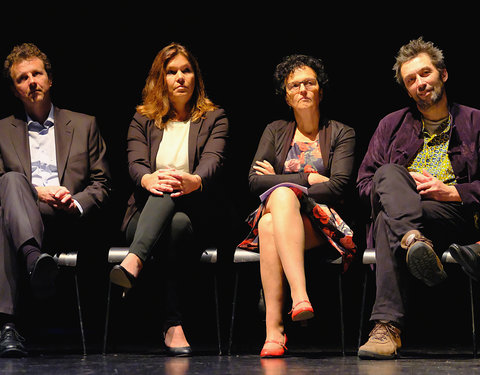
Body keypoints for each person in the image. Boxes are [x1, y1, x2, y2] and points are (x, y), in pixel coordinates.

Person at [357, 37, 480, 360]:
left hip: (456, 217)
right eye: (411, 80)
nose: (420, 83)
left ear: (443, 74)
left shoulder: (475, 122)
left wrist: (453, 191)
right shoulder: (392, 125)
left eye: (425, 74)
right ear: (407, 89)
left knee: (388, 219)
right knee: (388, 174)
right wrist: (398, 187)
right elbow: (364, 183)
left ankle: (386, 327)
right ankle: (413, 240)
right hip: (411, 219)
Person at [109, 42, 229, 357]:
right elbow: (135, 162)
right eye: (172, 72)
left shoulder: (214, 117)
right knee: (165, 198)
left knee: (176, 216)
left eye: (186, 71)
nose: (180, 78)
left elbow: (213, 160)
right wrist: (148, 178)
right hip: (143, 218)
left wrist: (195, 180)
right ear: (160, 79)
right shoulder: (142, 119)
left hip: (195, 217)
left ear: (196, 77)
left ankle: (133, 262)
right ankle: (173, 323)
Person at [239, 54, 356, 358]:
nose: (303, 89)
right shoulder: (275, 130)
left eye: (309, 83)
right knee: (272, 215)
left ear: (320, 90)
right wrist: (308, 177)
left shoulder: (341, 132)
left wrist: (284, 184)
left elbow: (339, 186)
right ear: (287, 96)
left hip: (324, 223)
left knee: (279, 197)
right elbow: (253, 182)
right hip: (280, 219)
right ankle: (296, 303)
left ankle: (276, 329)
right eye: (295, 85)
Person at [0, 43, 111, 357]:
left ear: (49, 79)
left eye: (37, 74)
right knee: (8, 182)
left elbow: (102, 183)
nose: (32, 81)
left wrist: (73, 201)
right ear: (14, 88)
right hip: (23, 216)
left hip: (69, 220)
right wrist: (35, 192)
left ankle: (9, 326)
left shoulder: (84, 124)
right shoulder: (1, 131)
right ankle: (34, 260)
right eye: (23, 78)